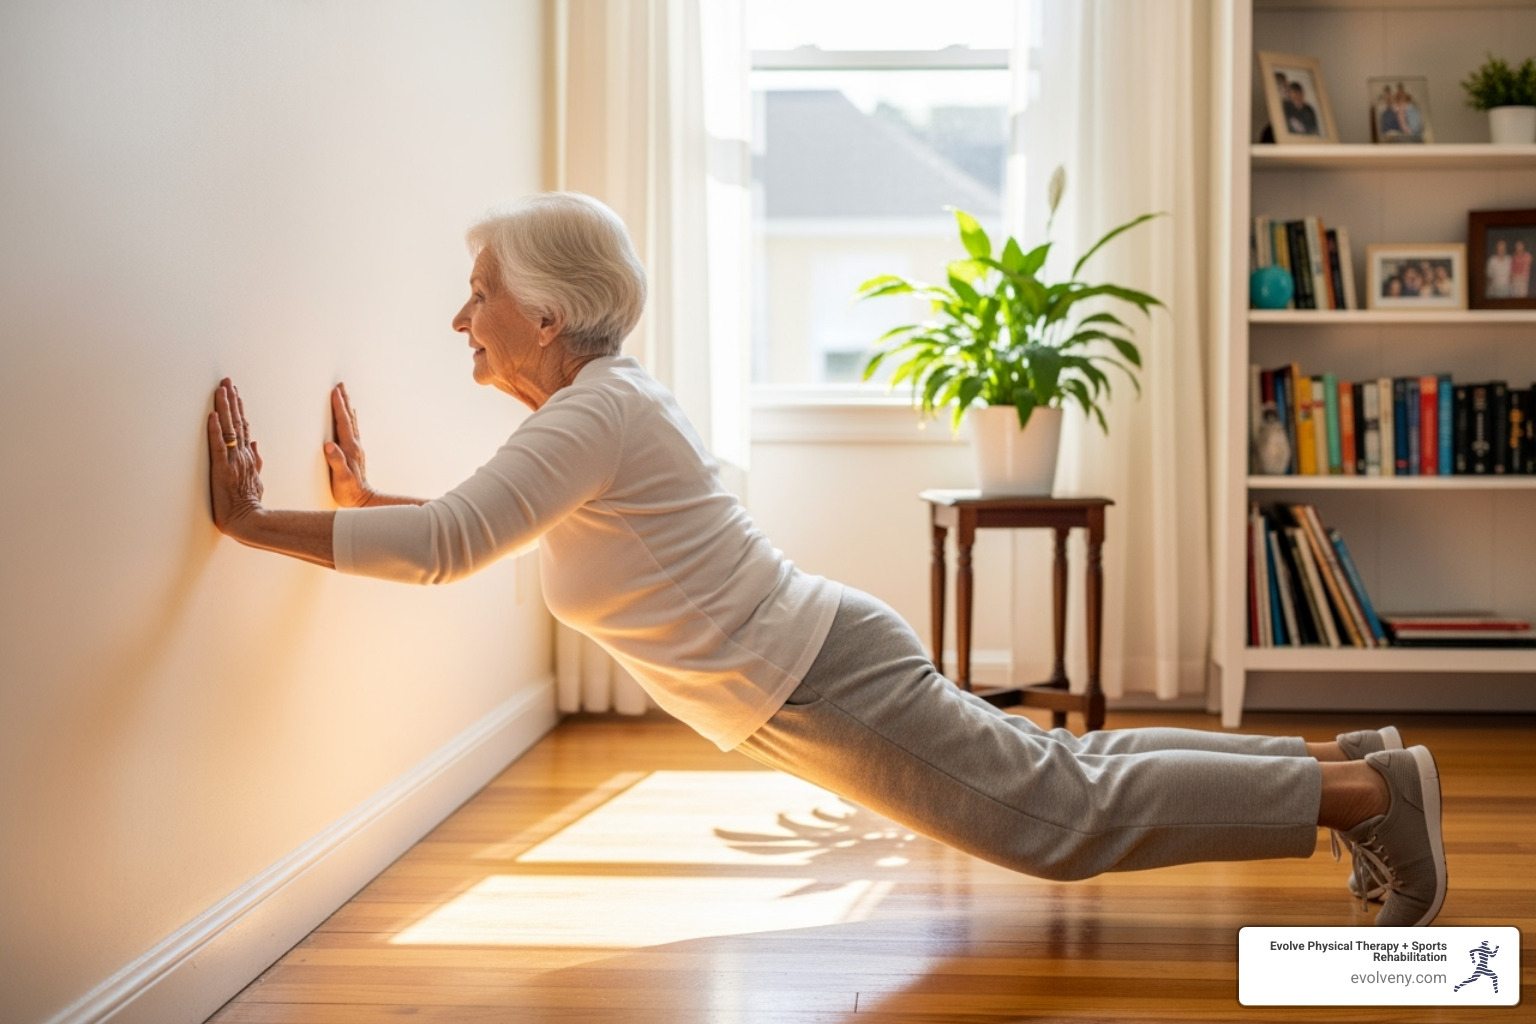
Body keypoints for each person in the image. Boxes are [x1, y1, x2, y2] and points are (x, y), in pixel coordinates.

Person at [205, 192, 1446, 927]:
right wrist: (363, 501)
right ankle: (1349, 768)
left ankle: (1367, 800)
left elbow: (444, 549)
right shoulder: (591, 413)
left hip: (816, 680)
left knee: (1058, 820)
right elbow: (474, 519)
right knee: (1065, 774)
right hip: (814, 665)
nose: (459, 317)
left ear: (545, 313)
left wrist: (254, 521)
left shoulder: (591, 414)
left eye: (477, 293)